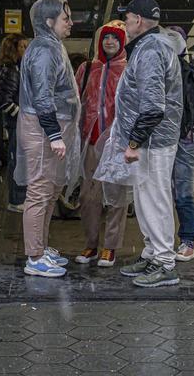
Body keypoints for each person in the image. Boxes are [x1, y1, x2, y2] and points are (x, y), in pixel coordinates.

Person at [114, 0, 184, 288]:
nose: (124, 23)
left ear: (138, 20)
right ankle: (153, 253)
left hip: (153, 141)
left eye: (127, 18)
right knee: (146, 198)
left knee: (154, 199)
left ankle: (165, 262)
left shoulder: (151, 49)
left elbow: (153, 106)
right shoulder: (150, 47)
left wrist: (134, 143)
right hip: (152, 139)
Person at [17, 0, 83, 278]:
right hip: (44, 129)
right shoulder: (44, 50)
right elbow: (42, 96)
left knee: (51, 189)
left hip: (53, 127)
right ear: (48, 22)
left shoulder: (51, 47)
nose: (71, 22)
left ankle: (41, 247)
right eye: (65, 18)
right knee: (40, 190)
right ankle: (34, 256)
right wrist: (54, 133)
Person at [74, 22, 129, 268]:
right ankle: (91, 243)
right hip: (91, 141)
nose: (109, 42)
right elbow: (75, 102)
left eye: (115, 39)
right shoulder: (87, 69)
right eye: (105, 38)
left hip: (117, 143)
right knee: (89, 196)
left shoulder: (128, 70)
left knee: (117, 197)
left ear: (122, 43)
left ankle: (110, 246)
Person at [166, 26, 194, 263]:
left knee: (181, 194)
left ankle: (187, 240)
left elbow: (193, 111)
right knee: (161, 194)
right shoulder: (159, 72)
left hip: (183, 139)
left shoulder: (191, 76)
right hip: (164, 140)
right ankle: (160, 240)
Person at [0, 33, 29, 213]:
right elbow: (5, 101)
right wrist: (22, 115)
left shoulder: (16, 69)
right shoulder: (10, 70)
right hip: (17, 123)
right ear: (13, 49)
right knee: (17, 160)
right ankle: (16, 199)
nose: (26, 50)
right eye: (23, 46)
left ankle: (19, 197)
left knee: (19, 160)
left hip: (19, 123)